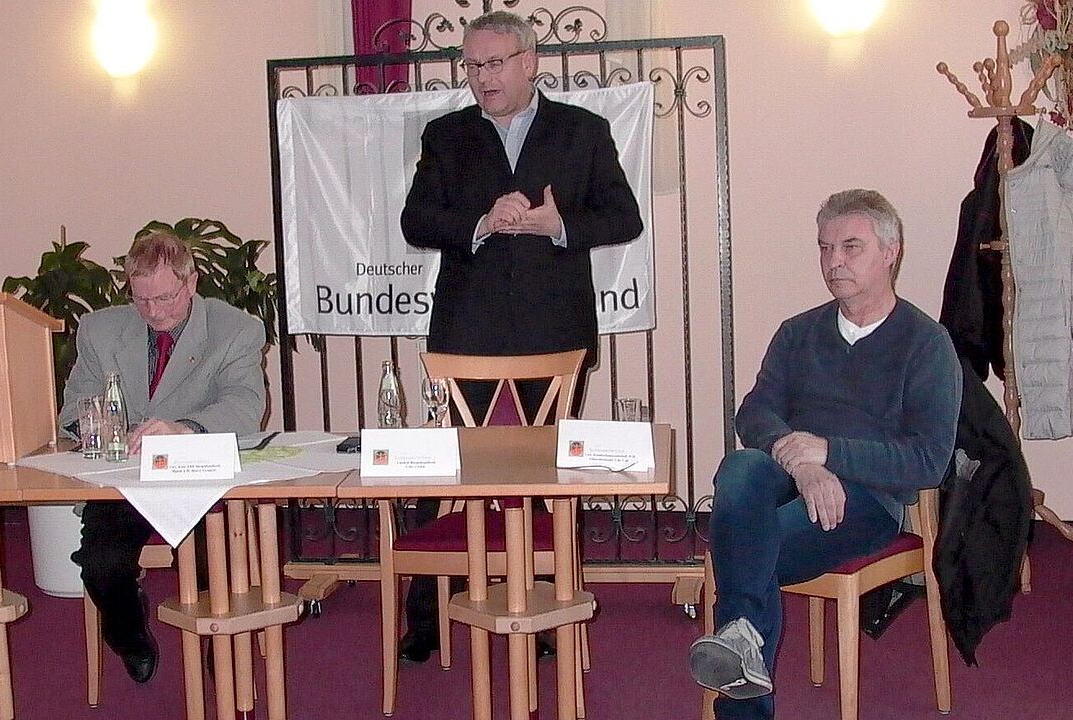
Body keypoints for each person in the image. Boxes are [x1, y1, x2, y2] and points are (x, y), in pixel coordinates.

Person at [398, 10, 643, 662]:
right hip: (466, 334)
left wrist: (556, 226)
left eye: (496, 63)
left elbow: (623, 216)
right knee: (448, 474)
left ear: (530, 62)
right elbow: (416, 222)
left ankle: (543, 607)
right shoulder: (446, 134)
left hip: (554, 334)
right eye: (473, 65)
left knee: (545, 476)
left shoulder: (582, 131)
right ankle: (428, 614)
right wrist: (481, 222)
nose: (484, 77)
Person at [688, 190, 962, 719]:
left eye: (850, 247)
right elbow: (755, 413)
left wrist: (832, 454)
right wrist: (806, 464)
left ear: (891, 253)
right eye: (824, 247)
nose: (834, 261)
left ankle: (740, 655)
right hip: (791, 473)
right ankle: (743, 640)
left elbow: (928, 459)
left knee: (743, 548)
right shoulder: (798, 333)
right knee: (741, 466)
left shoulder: (926, 344)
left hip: (868, 500)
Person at [57, 229, 265, 683]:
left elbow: (245, 407)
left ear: (191, 283)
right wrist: (102, 428)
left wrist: (183, 429)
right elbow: (73, 410)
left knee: (216, 563)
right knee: (100, 564)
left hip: (201, 481)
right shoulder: (99, 331)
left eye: (165, 298)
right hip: (127, 481)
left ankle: (220, 653)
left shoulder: (235, 330)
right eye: (142, 300)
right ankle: (129, 636)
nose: (153, 311)